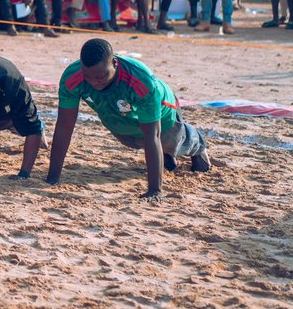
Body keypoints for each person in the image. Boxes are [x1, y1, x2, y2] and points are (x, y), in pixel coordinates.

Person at [48, 38, 210, 201]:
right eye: (88, 77)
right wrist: (53, 178)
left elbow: (152, 136)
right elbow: (64, 127)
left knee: (164, 141)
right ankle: (166, 156)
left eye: (101, 76)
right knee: (133, 141)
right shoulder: (72, 77)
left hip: (164, 111)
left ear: (115, 63)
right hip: (119, 116)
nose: (94, 82)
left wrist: (155, 191)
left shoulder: (140, 80)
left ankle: (198, 143)